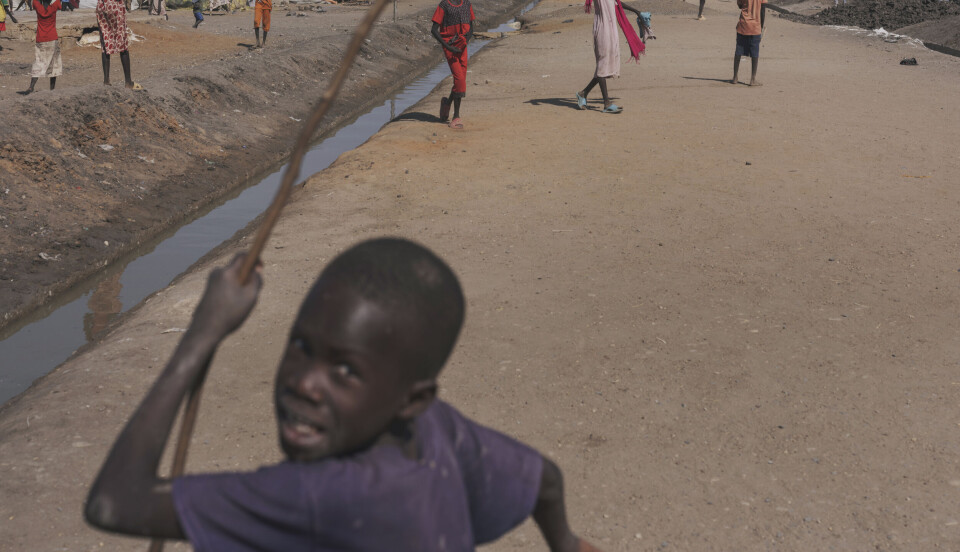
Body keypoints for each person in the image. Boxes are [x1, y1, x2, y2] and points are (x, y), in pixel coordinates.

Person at [84, 239, 605, 552]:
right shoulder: (434, 428)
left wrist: (204, 332)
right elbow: (544, 480)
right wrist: (566, 543)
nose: (304, 383)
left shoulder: (327, 495)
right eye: (301, 347)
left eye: (346, 371)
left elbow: (113, 503)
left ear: (412, 399)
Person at [576, 0, 645, 113]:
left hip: (612, 30)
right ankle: (606, 103)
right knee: (602, 65)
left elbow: (619, 3)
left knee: (605, 65)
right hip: (602, 29)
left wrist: (636, 11)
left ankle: (583, 93)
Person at [432, 0, 474, 129]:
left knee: (459, 80)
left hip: (463, 48)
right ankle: (456, 117)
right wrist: (448, 46)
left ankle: (447, 103)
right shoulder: (444, 5)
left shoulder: (467, 4)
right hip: (451, 49)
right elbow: (434, 30)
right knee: (460, 80)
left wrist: (466, 40)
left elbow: (471, 26)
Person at [20, 0, 70, 95]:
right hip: (52, 39)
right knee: (54, 64)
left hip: (41, 39)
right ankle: (52, 89)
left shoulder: (38, 6)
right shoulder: (54, 6)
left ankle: (31, 87)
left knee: (39, 62)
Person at [731, 0, 767, 87]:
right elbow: (763, 12)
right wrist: (761, 26)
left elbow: (740, 6)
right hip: (755, 27)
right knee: (755, 54)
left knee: (738, 51)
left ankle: (735, 77)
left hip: (743, 26)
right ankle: (753, 79)